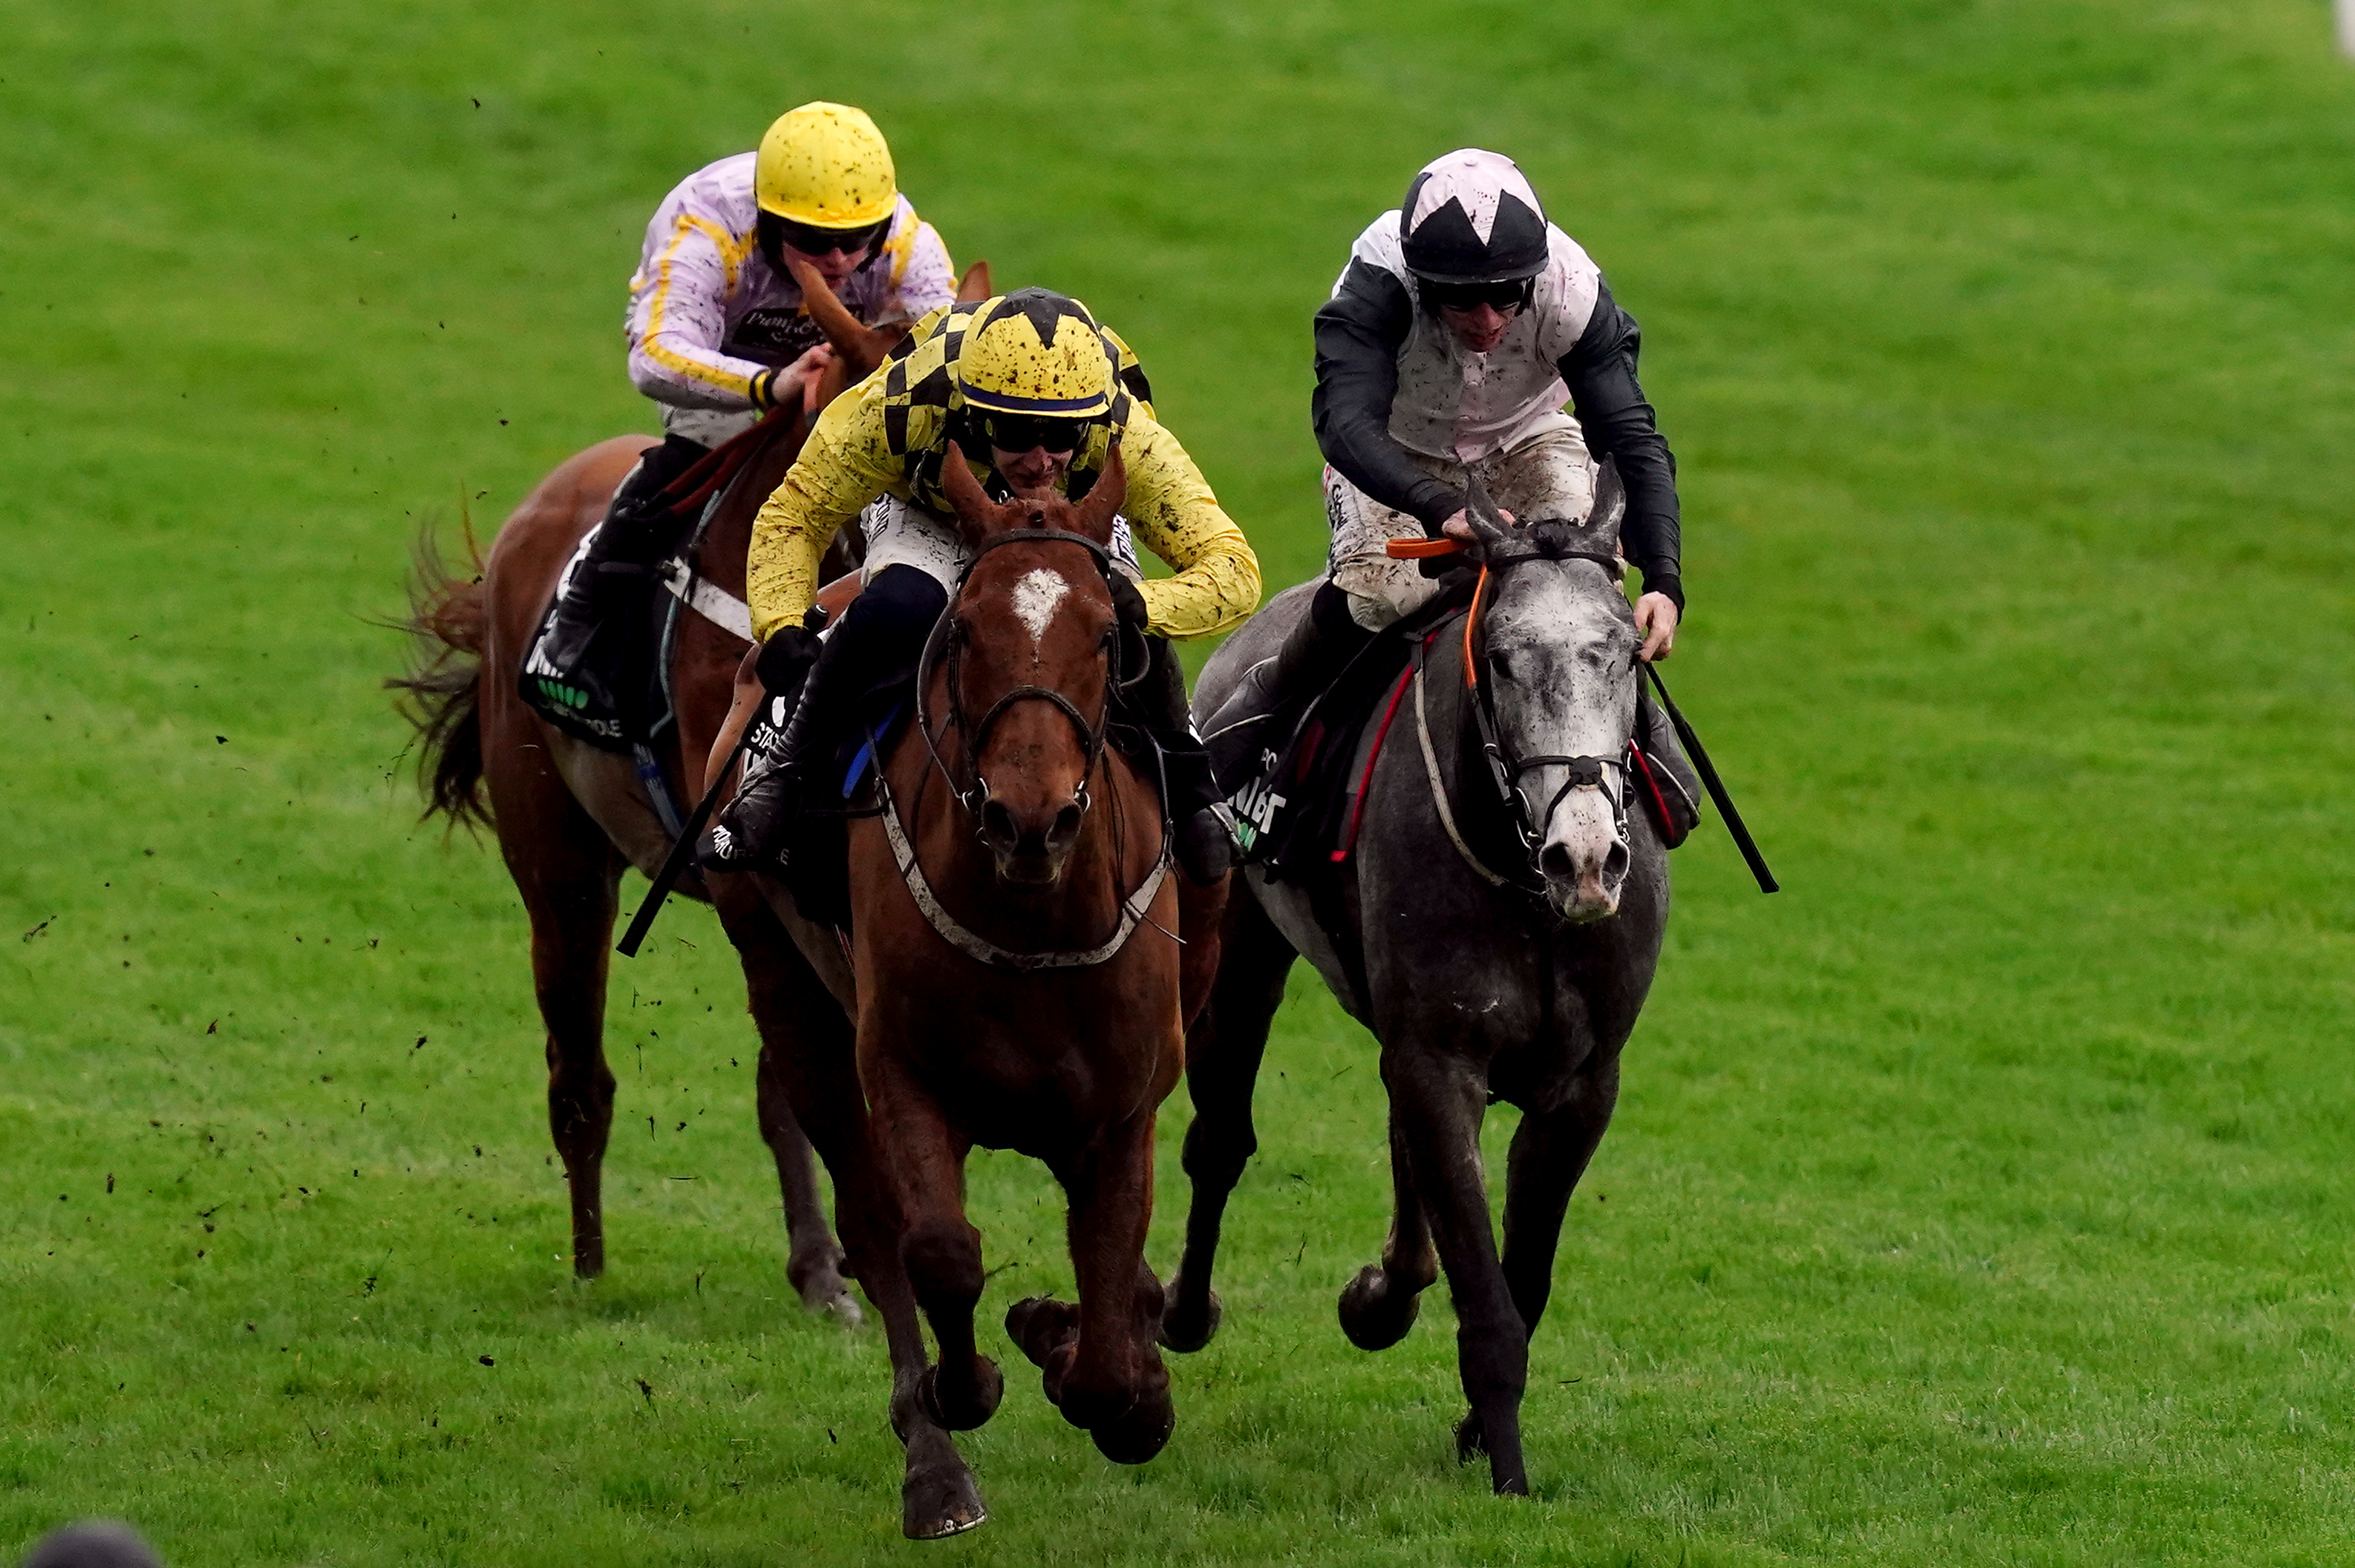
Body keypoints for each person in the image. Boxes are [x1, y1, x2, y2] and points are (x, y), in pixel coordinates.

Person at [701, 287, 1261, 886]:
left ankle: (1192, 787)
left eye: (1062, 436)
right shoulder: (897, 407)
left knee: (1114, 621)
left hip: (1072, 519)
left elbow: (1232, 566)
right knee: (900, 607)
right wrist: (782, 620)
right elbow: (796, 513)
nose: (1040, 461)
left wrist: (1145, 602)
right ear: (972, 414)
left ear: (1091, 422)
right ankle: (785, 772)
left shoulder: (1127, 432)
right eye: (1016, 433)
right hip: (935, 512)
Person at [1203, 148, 1695, 823]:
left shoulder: (1572, 289)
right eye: (1461, 298)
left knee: (1580, 585)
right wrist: (1439, 507)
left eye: (1507, 295)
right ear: (1421, 280)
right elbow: (1346, 423)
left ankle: (1644, 738)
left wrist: (1664, 579)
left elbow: (1632, 439)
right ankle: (1261, 706)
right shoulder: (1378, 282)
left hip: (1528, 438)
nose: (1487, 320)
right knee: (1385, 593)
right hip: (1397, 454)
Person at [522, 101, 958, 742]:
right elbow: (656, 357)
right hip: (720, 359)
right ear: (768, 222)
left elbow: (951, 357)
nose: (839, 260)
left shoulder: (908, 245)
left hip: (844, 366)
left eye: (857, 240)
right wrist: (768, 384)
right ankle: (574, 626)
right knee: (703, 443)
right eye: (814, 243)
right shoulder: (708, 227)